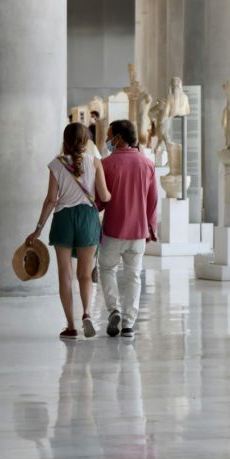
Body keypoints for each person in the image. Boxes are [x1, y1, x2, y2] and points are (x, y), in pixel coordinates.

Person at [27, 122, 110, 339]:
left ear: (65, 139)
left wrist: (37, 229)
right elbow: (105, 195)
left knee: (65, 275)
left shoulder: (56, 164)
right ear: (86, 140)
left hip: (63, 219)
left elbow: (51, 199)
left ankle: (71, 326)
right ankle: (87, 314)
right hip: (88, 218)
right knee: (85, 274)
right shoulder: (95, 162)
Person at [98, 119, 158, 338]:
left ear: (119, 138)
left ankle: (113, 309)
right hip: (138, 232)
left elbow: (100, 200)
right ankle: (128, 324)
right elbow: (153, 201)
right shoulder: (147, 164)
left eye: (109, 135)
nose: (107, 140)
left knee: (107, 269)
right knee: (133, 276)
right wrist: (151, 228)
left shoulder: (106, 164)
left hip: (113, 229)